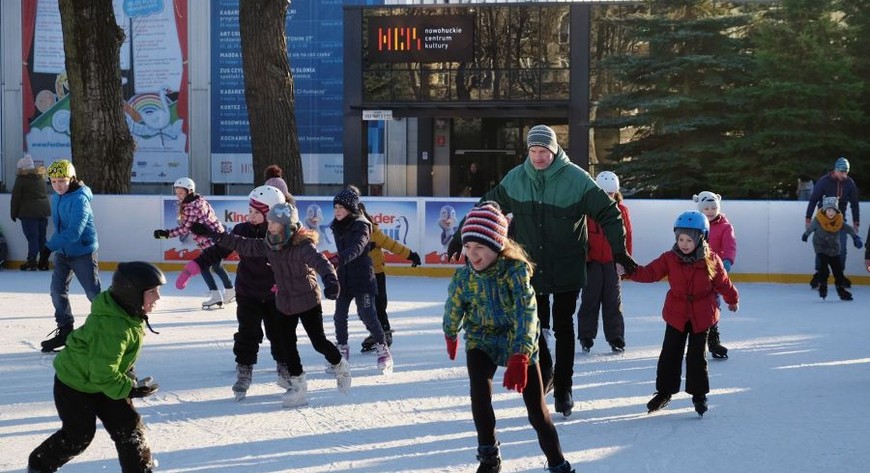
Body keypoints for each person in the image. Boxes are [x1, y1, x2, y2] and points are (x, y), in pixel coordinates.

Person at [447, 124, 636, 417]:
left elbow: (609, 213)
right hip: (529, 267)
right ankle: (546, 372)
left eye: (543, 151)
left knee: (563, 325)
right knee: (533, 325)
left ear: (554, 149)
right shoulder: (516, 178)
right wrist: (461, 235)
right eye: (533, 151)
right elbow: (486, 206)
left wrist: (619, 251)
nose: (538, 157)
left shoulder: (576, 179)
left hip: (567, 266)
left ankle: (564, 387)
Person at [443, 202, 574, 473]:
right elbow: (454, 305)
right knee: (479, 396)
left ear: (497, 246)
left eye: (479, 248)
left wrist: (522, 354)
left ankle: (558, 464)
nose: (472, 254)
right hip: (481, 339)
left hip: (518, 340)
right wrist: (450, 331)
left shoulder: (515, 272)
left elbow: (527, 314)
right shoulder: (464, 277)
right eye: (468, 247)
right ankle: (489, 458)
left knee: (537, 411)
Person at [192, 202, 351, 405]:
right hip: (285, 301)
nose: (269, 223)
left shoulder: (302, 245)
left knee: (318, 342)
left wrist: (331, 281)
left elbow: (322, 262)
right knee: (287, 345)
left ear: (285, 225)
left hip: (307, 299)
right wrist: (213, 234)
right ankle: (298, 386)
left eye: (273, 221)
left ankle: (341, 368)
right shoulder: (268, 243)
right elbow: (241, 243)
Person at [27, 262, 166, 473]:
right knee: (79, 435)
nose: (158, 297)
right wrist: (129, 389)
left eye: (158, 290)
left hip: (103, 381)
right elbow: (103, 372)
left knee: (130, 429)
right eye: (152, 292)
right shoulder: (112, 327)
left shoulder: (127, 313)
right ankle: (40, 464)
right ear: (132, 294)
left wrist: (128, 377)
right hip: (75, 385)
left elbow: (112, 362)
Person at [621, 211, 739, 417]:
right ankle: (664, 392)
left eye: (689, 240)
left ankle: (699, 395)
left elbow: (723, 284)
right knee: (670, 354)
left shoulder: (712, 260)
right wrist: (629, 270)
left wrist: (732, 299)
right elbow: (649, 273)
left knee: (696, 357)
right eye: (681, 239)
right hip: (676, 313)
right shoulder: (669, 258)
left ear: (701, 238)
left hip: (702, 315)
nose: (684, 244)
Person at [182, 185, 292, 399]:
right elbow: (219, 250)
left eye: (256, 213)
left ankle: (284, 368)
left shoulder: (281, 234)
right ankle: (244, 370)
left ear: (270, 213)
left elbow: (292, 262)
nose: (250, 216)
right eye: (249, 211)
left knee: (279, 333)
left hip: (274, 294)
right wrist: (195, 266)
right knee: (247, 333)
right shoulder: (241, 230)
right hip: (248, 292)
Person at [39, 159, 102, 353]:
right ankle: (66, 329)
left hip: (82, 252)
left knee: (93, 293)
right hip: (63, 252)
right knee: (57, 291)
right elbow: (60, 229)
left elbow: (74, 231)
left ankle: (108, 327)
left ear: (72, 179)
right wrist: (52, 247)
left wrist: (48, 247)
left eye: (62, 181)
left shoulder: (79, 199)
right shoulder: (57, 197)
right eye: (54, 181)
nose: (58, 185)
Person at [329, 188, 394, 374]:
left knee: (367, 315)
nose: (337, 211)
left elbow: (358, 247)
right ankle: (341, 352)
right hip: (344, 277)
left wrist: (338, 259)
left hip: (363, 277)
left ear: (350, 208)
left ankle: (383, 349)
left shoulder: (362, 225)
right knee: (339, 316)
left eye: (341, 207)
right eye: (335, 207)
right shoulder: (336, 225)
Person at [153, 177, 233, 309]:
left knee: (204, 267)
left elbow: (185, 229)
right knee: (216, 267)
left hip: (210, 242)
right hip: (214, 239)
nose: (178, 196)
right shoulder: (199, 201)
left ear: (189, 191)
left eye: (180, 193)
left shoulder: (191, 207)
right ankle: (228, 291)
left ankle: (218, 294)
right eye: (176, 192)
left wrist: (166, 234)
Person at [576, 171, 632, 354]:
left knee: (612, 301)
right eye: (604, 194)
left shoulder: (622, 211)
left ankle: (616, 337)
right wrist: (583, 258)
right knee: (590, 300)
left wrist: (625, 259)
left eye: (611, 194)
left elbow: (627, 236)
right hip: (591, 262)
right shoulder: (587, 211)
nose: (608, 197)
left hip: (612, 262)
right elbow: (580, 236)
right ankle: (586, 336)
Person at [356, 200, 422, 353]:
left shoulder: (372, 231)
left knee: (378, 306)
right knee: (363, 309)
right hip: (359, 276)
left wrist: (410, 255)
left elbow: (391, 244)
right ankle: (375, 332)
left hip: (376, 274)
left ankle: (384, 332)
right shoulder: (348, 231)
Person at [693, 190, 737, 359]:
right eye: (707, 208)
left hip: (715, 272)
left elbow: (730, 244)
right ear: (701, 209)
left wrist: (727, 261)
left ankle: (713, 341)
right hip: (695, 271)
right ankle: (695, 341)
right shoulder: (695, 225)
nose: (711, 211)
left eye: (713, 208)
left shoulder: (725, 226)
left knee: (713, 305)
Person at [805, 157, 860, 288]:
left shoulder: (849, 183)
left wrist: (856, 221)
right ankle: (819, 274)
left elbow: (854, 203)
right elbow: (813, 200)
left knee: (841, 250)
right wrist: (808, 218)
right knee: (822, 249)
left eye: (846, 172)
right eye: (842, 172)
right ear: (836, 170)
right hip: (822, 221)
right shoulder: (824, 182)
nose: (844, 175)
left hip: (840, 221)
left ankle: (839, 275)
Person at [802, 196, 862, 301]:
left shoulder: (839, 220)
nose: (831, 212)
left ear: (836, 211)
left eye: (833, 210)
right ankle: (823, 286)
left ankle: (841, 290)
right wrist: (806, 235)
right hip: (820, 246)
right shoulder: (818, 219)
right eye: (829, 210)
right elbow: (811, 227)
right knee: (823, 268)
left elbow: (847, 228)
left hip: (834, 248)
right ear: (825, 210)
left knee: (838, 270)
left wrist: (855, 237)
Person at [10, 154, 51, 271]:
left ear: (23, 169)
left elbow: (16, 198)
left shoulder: (22, 179)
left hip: (29, 213)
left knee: (33, 237)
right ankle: (44, 262)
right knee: (42, 237)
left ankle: (32, 261)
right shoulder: (40, 177)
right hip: (43, 211)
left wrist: (13, 213)